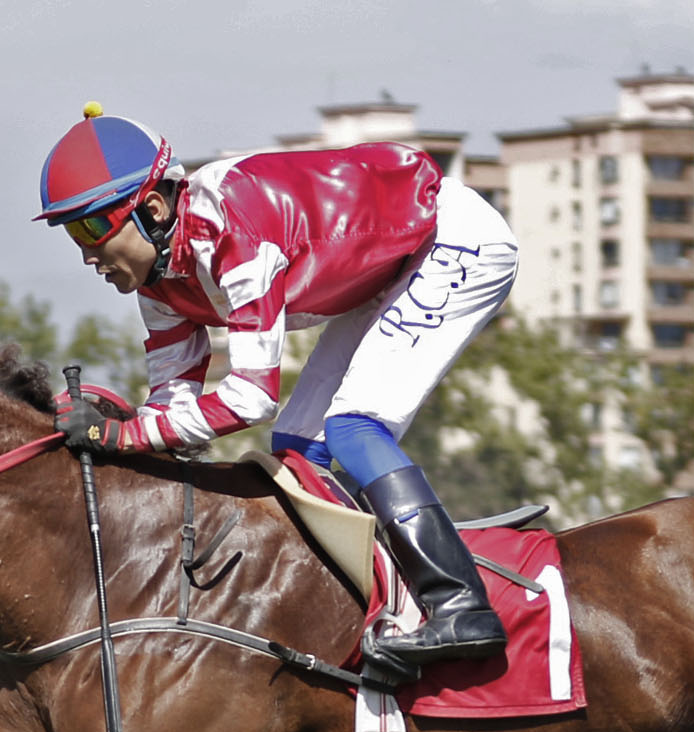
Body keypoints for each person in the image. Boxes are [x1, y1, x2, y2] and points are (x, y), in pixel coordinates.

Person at [37, 104, 520, 679]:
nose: (87, 254)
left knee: (353, 428)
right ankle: (369, 607)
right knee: (299, 451)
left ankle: (461, 606)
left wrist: (124, 436)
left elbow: (250, 397)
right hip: (387, 265)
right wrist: (120, 429)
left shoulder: (230, 229)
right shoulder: (157, 282)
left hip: (449, 240)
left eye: (92, 228)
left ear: (154, 209)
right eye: (72, 234)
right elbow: (171, 408)